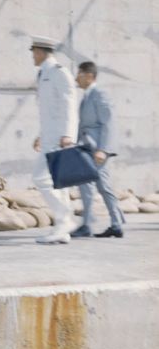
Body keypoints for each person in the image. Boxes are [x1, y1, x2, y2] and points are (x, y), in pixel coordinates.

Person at [31, 36, 78, 245]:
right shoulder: (44, 74)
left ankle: (66, 218)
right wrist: (41, 134)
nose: (32, 56)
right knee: (60, 185)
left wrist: (68, 134)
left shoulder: (60, 72)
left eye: (33, 52)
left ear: (41, 52)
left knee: (40, 179)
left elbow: (69, 105)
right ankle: (62, 229)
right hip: (50, 136)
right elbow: (49, 111)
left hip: (60, 138)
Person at [71, 61, 125, 238]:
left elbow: (107, 122)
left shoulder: (99, 93)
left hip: (96, 150)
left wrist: (103, 149)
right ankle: (111, 224)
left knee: (101, 187)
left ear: (88, 75)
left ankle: (108, 223)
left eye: (79, 74)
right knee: (93, 186)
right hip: (86, 147)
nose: (76, 78)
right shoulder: (87, 95)